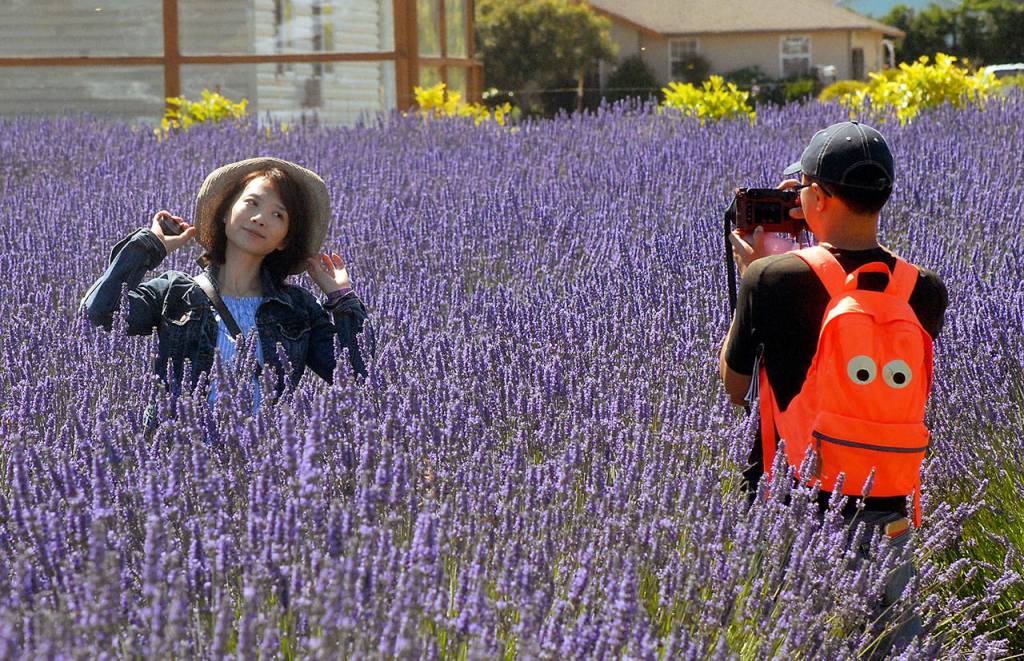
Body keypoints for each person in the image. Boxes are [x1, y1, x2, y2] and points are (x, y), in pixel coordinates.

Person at [719, 121, 948, 654]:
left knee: (804, 643)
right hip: (890, 498)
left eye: (802, 189)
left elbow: (735, 388)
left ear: (817, 196)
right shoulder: (925, 290)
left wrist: (754, 276)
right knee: (893, 643)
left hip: (799, 503)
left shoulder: (771, 279)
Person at [80, 157, 369, 432]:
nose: (259, 218)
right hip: (178, 466)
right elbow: (97, 314)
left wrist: (341, 298)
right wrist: (150, 246)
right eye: (251, 203)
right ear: (224, 214)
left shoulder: (297, 309)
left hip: (260, 471)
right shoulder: (176, 293)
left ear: (284, 240)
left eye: (277, 215)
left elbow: (359, 379)